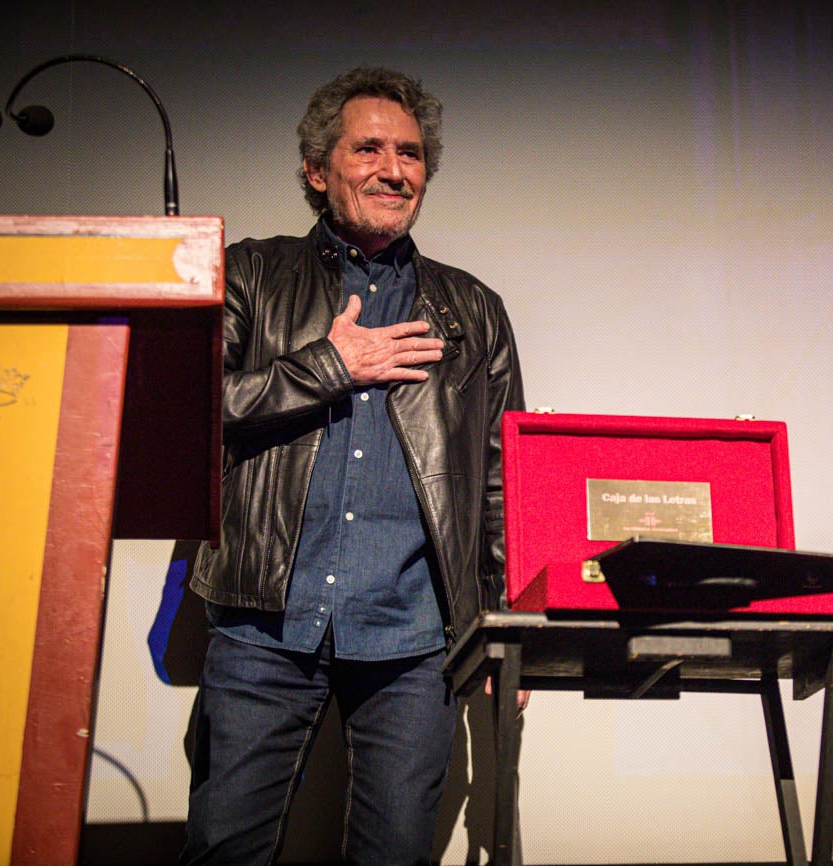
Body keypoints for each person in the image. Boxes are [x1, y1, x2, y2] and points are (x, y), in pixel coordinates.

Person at [181, 66, 525, 865]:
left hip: (414, 637)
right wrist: (328, 366)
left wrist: (505, 625)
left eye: (409, 153)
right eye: (368, 147)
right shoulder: (250, 275)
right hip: (263, 621)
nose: (394, 168)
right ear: (315, 169)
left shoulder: (473, 309)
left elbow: (502, 476)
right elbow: (191, 415)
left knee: (395, 856)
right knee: (222, 850)